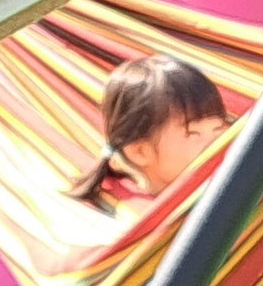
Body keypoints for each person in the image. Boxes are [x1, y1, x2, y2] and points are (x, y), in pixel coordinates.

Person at [71, 51, 231, 208]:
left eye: (218, 129)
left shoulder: (219, 189)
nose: (215, 144)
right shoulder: (132, 215)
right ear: (140, 152)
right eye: (193, 134)